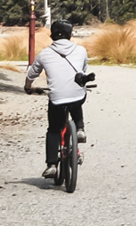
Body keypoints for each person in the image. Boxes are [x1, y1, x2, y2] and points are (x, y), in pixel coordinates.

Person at [25, 20, 89, 179]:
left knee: (53, 129)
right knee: (77, 96)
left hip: (57, 99)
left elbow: (31, 74)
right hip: (77, 95)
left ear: (52, 36)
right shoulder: (81, 50)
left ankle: (52, 165)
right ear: (70, 34)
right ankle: (80, 129)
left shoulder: (45, 54)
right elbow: (83, 70)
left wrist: (28, 87)